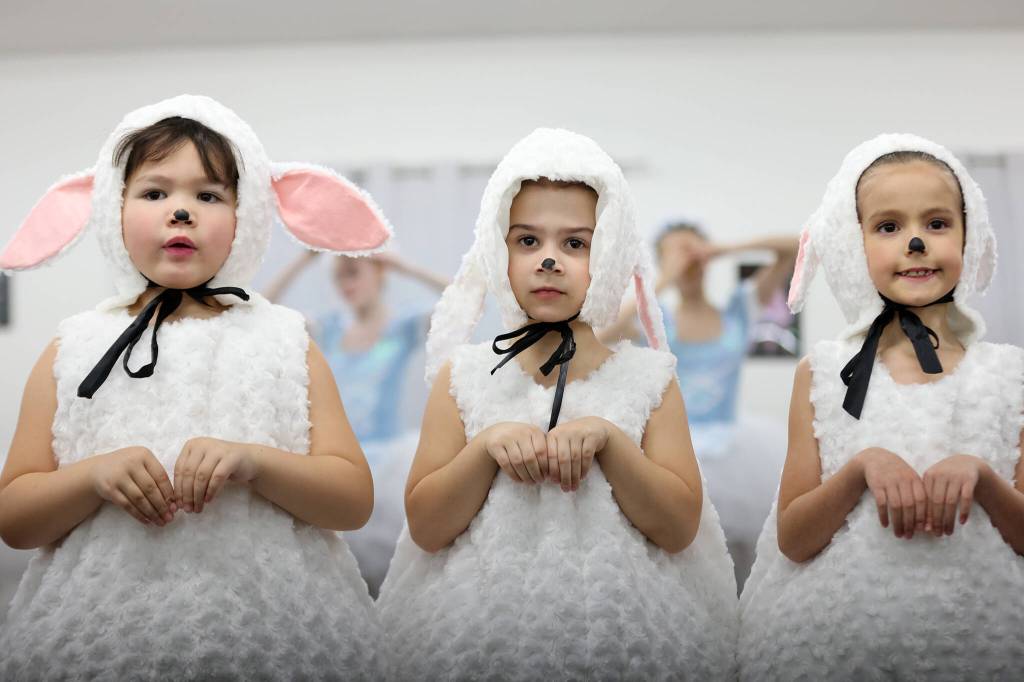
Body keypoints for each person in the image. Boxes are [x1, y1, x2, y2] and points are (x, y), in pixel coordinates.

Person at [0, 95, 391, 679]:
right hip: (99, 640)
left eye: (208, 196)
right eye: (154, 193)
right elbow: (15, 518)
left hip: (275, 636)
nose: (180, 211)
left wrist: (256, 461)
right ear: (111, 208)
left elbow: (352, 501)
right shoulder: (73, 348)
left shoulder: (287, 342)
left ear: (247, 216)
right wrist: (91, 475)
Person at [377, 128, 738, 680]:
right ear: (498, 253)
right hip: (477, 642)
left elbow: (678, 527)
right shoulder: (463, 376)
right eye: (527, 241)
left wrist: (612, 441)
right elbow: (426, 528)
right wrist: (485, 447)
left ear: (609, 256)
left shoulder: (650, 379)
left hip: (625, 643)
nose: (549, 259)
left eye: (575, 244)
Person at [739, 134, 1024, 680]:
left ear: (969, 236)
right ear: (855, 244)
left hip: (985, 647)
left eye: (937, 223)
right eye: (888, 227)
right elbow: (793, 539)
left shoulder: (1011, 376)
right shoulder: (823, 374)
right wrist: (860, 468)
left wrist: (984, 477)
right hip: (840, 648)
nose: (915, 243)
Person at [600, 224, 797, 586]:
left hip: (734, 454)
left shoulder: (738, 310)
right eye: (676, 253)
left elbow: (793, 246)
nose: (688, 260)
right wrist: (664, 278)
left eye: (693, 250)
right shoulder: (654, 319)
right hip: (672, 451)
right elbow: (601, 333)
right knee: (681, 556)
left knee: (740, 561)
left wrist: (726, 248)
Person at [265, 249, 448, 594]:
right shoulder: (329, 329)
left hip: (389, 467)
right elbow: (262, 309)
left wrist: (403, 265)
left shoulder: (401, 327)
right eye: (338, 277)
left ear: (378, 272)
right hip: (340, 461)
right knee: (344, 568)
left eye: (353, 273)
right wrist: (303, 259)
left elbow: (462, 298)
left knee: (393, 571)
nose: (345, 284)